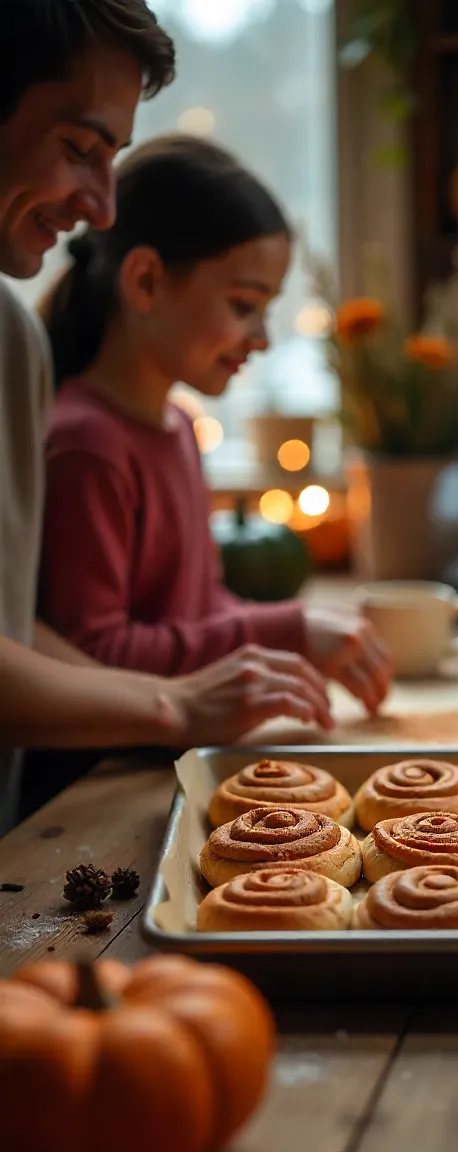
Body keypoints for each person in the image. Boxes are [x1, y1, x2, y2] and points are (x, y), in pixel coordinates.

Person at [0, 1, 346, 835]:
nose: (103, 206)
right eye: (79, 149)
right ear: (145, 284)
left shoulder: (15, 345)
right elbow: (90, 638)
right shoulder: (84, 434)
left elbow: (20, 628)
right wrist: (182, 701)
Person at [37, 134, 391, 715]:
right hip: (106, 773)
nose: (262, 338)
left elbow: (194, 612)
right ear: (146, 281)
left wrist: (300, 633)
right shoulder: (86, 444)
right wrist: (287, 632)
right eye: (243, 304)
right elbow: (93, 653)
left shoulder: (175, 426)